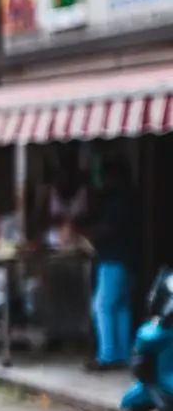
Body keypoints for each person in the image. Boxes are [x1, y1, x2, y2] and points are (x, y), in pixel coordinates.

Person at [82, 158, 139, 371]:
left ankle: (107, 356)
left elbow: (107, 228)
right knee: (121, 308)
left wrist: (84, 233)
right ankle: (123, 354)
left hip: (113, 260)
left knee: (102, 306)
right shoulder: (132, 198)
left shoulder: (117, 201)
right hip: (128, 259)